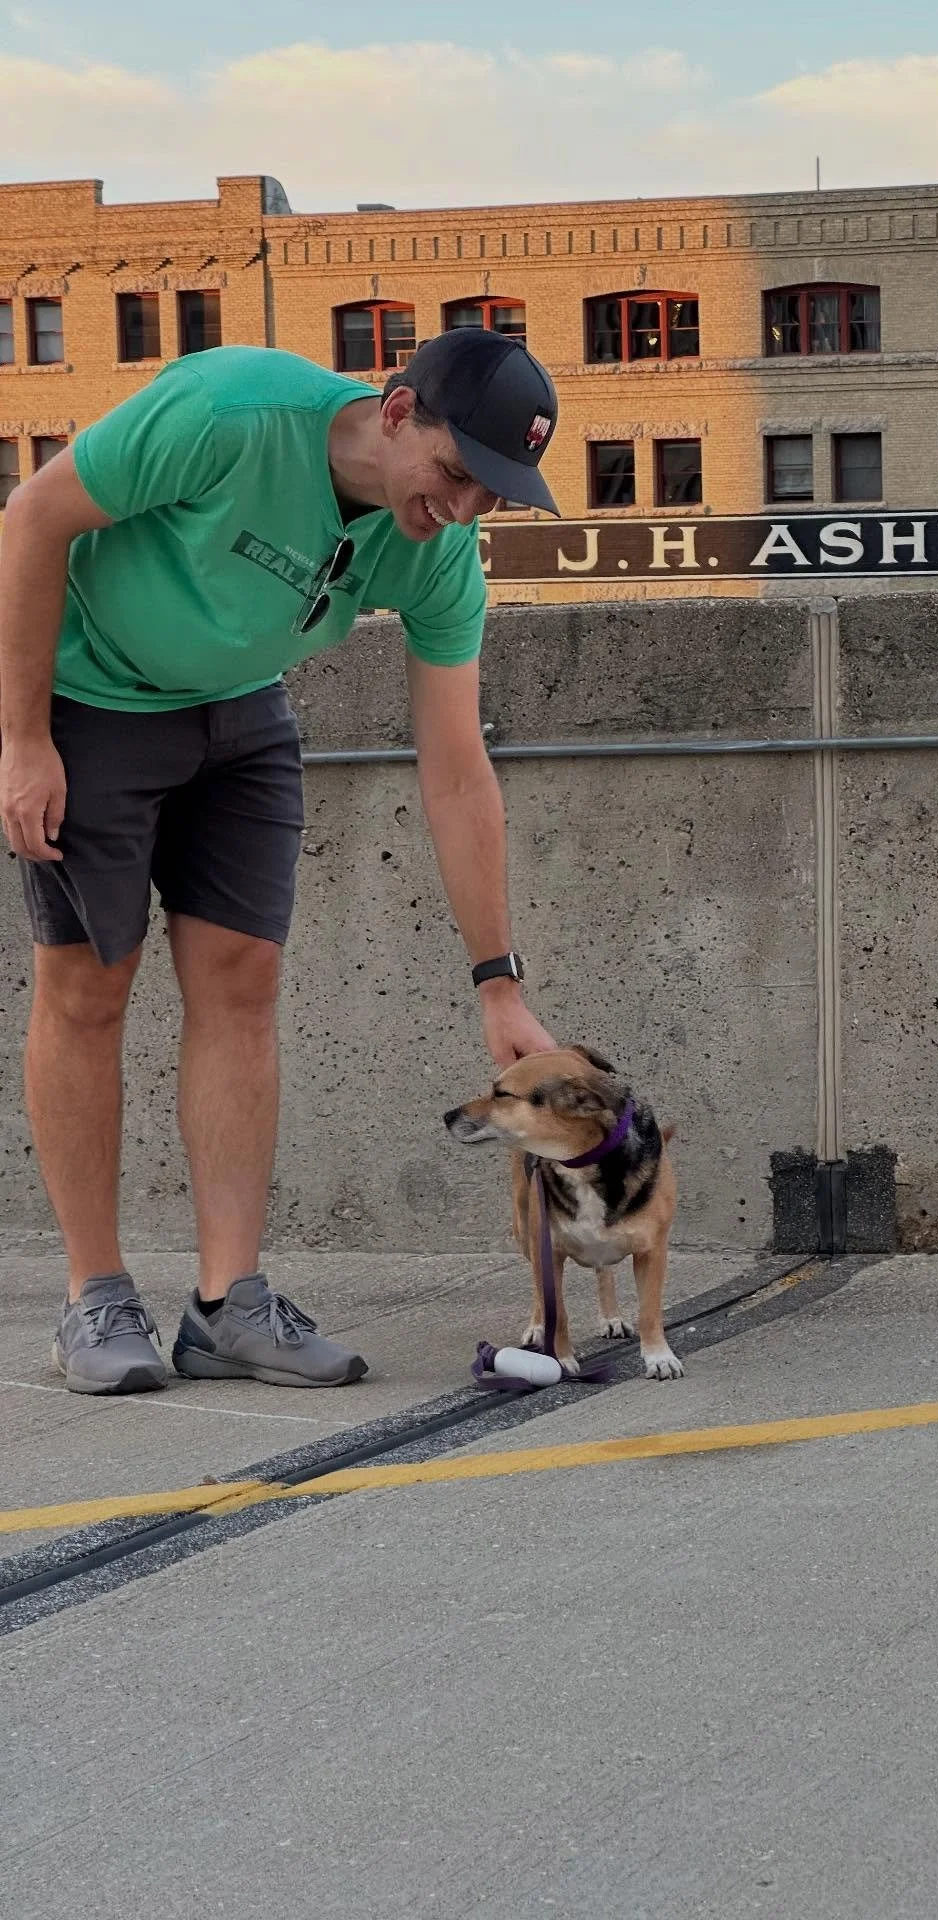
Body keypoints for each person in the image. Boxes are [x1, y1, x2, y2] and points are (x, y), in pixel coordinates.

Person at [0, 329, 560, 1394]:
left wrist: (499, 981)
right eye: (455, 474)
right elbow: (31, 519)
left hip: (242, 714)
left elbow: (455, 770)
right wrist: (24, 739)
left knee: (244, 978)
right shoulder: (231, 413)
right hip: (93, 699)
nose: (463, 511)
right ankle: (93, 1299)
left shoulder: (436, 550)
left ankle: (229, 1306)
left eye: (493, 493)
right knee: (87, 988)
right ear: (398, 412)